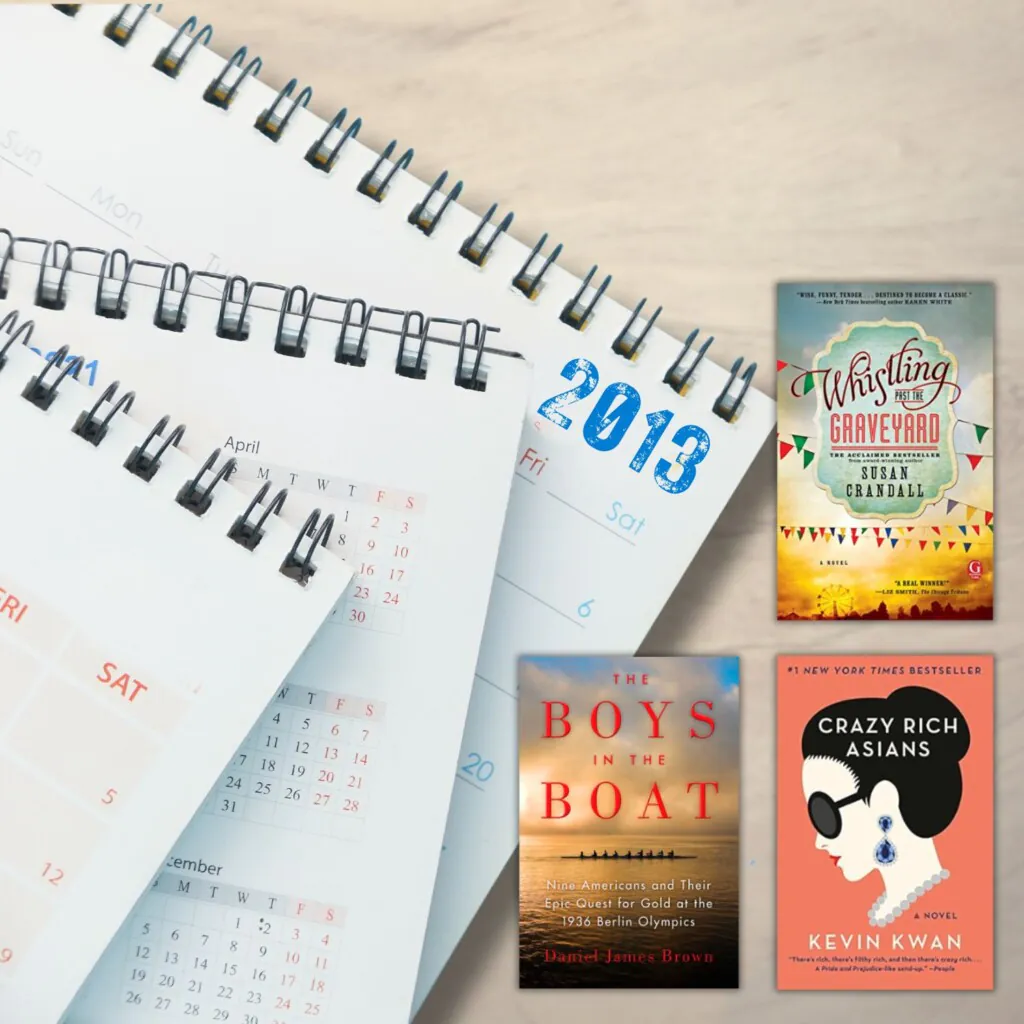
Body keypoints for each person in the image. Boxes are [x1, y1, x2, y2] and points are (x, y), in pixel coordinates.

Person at [800, 685, 970, 927]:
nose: (819, 842)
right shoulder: (890, 908)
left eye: (824, 814)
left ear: (884, 801)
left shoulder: (955, 913)